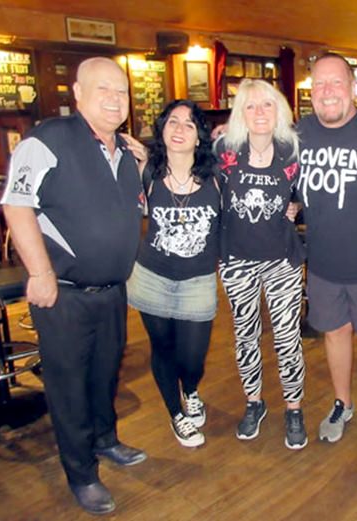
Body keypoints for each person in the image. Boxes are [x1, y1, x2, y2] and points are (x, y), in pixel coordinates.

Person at [1, 57, 148, 515]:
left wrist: (141, 162)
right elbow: (16, 202)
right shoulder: (48, 139)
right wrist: (41, 272)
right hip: (62, 292)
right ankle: (81, 473)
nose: (114, 98)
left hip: (111, 291)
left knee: (105, 375)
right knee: (68, 387)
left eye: (121, 91)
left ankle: (105, 440)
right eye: (102, 89)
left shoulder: (126, 152)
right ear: (77, 94)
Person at [296, 53, 357, 448]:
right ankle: (342, 403)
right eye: (318, 85)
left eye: (335, 83)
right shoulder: (298, 133)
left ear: (352, 88)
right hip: (322, 263)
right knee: (334, 336)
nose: (327, 92)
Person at [216, 79, 307, 450]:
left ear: (279, 111)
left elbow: (307, 190)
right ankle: (254, 402)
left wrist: (298, 205)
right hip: (237, 259)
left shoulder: (294, 149)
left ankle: (294, 409)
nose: (259, 113)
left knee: (288, 338)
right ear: (241, 113)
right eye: (251, 106)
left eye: (266, 105)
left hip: (282, 258)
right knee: (245, 336)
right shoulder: (224, 149)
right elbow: (185, 165)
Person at [124, 100, 219, 449]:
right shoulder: (146, 171)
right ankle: (175, 412)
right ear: (162, 130)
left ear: (200, 137)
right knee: (162, 347)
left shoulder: (217, 176)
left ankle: (191, 389)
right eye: (173, 122)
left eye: (190, 124)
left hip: (198, 280)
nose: (180, 129)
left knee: (193, 358)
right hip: (152, 276)